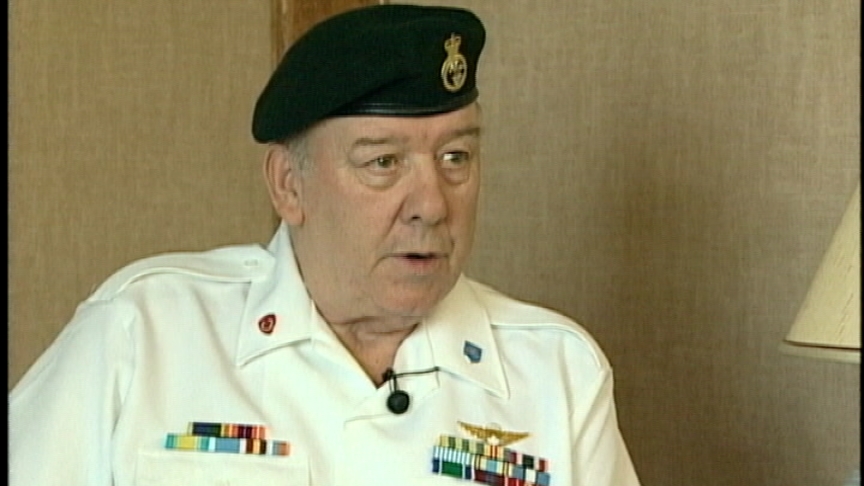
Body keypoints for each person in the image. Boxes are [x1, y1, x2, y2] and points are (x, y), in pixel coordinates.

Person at [10, 4, 641, 486]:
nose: (431, 204)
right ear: (289, 185)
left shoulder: (557, 373)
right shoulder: (145, 333)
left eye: (456, 157)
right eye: (383, 162)